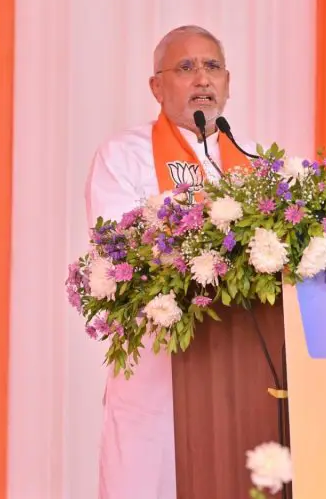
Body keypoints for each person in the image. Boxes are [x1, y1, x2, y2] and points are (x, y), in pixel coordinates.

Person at [84, 25, 255, 499]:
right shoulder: (125, 156)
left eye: (212, 66)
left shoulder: (253, 160)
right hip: (156, 378)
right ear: (157, 87)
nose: (202, 78)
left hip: (239, 375)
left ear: (228, 83)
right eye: (186, 67)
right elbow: (119, 249)